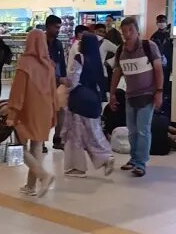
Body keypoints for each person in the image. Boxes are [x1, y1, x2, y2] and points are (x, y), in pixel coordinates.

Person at [109, 17, 163, 178]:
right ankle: (134, 159)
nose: (127, 34)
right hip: (130, 96)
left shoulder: (149, 46)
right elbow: (117, 73)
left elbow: (158, 69)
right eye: (124, 31)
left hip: (147, 94)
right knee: (132, 131)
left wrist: (159, 92)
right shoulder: (120, 50)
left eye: (130, 30)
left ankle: (141, 163)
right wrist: (112, 94)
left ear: (137, 30)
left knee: (143, 129)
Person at [6, 29, 58, 194]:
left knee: (19, 147)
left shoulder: (25, 64)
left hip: (27, 109)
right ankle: (31, 186)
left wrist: (12, 114)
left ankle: (43, 176)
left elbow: (18, 92)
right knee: (37, 145)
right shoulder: (48, 64)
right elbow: (53, 91)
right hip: (45, 109)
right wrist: (54, 112)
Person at [62, 33, 115, 179]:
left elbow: (73, 80)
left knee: (76, 136)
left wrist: (64, 85)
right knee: (93, 133)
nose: (78, 44)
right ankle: (105, 157)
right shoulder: (97, 60)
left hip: (79, 102)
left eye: (81, 41)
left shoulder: (80, 57)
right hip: (93, 101)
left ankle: (77, 167)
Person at [44, 15, 68, 151]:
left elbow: (61, 63)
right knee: (44, 112)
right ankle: (40, 141)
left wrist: (62, 79)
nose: (58, 30)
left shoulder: (58, 43)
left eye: (59, 27)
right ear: (48, 26)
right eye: (56, 27)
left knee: (61, 111)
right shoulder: (40, 43)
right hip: (43, 84)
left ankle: (57, 138)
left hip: (57, 83)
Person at [150, 13, 175, 116]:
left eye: (163, 22)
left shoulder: (171, 35)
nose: (161, 24)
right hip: (158, 63)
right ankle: (159, 105)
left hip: (169, 61)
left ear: (166, 22)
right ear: (156, 23)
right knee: (159, 82)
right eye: (159, 22)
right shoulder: (154, 36)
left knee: (166, 82)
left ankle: (165, 103)